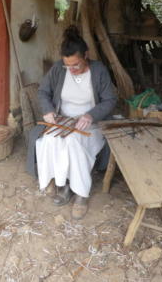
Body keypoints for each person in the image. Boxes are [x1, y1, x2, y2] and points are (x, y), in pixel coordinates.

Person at [26, 25, 117, 220]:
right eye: (68, 66)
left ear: (87, 55)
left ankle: (81, 194)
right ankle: (62, 184)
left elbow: (110, 100)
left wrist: (91, 115)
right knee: (49, 140)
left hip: (90, 123)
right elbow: (43, 92)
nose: (72, 70)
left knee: (74, 143)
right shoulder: (59, 69)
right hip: (63, 119)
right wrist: (49, 110)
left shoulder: (99, 70)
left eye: (76, 65)